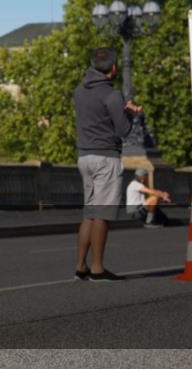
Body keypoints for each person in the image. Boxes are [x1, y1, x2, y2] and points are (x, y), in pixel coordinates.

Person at [73, 47, 140, 281]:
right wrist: (131, 113)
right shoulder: (112, 95)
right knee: (102, 214)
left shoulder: (80, 90)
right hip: (106, 157)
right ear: (113, 68)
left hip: (85, 156)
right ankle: (98, 269)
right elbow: (123, 130)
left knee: (89, 213)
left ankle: (81, 266)